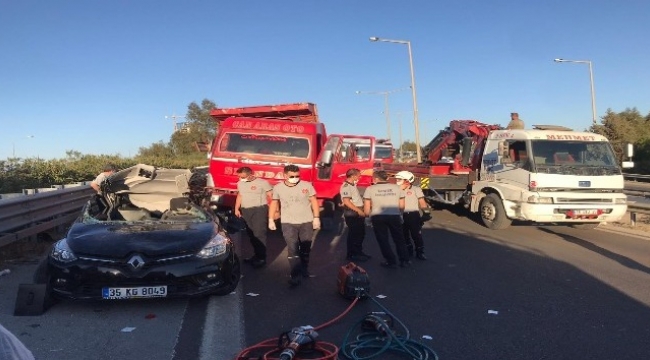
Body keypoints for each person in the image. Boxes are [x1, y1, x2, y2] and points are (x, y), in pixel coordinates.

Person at [268, 165, 321, 287]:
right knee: (292, 249)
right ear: (285, 175)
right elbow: (274, 203)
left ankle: (304, 268)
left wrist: (316, 218)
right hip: (288, 222)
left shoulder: (306, 186)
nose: (295, 178)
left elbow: (313, 201)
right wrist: (271, 219)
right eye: (292, 176)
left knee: (305, 248)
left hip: (306, 221)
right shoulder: (278, 188)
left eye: (297, 176)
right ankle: (295, 275)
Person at [363, 170, 411, 268]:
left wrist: (367, 217)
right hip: (394, 216)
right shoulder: (397, 188)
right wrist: (401, 215)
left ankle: (391, 261)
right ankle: (404, 260)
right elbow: (401, 204)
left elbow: (367, 205)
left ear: (376, 179)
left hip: (378, 217)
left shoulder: (370, 189)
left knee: (383, 240)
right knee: (399, 239)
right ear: (387, 178)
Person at [234, 167, 273, 268]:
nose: (240, 179)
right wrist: (236, 208)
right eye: (239, 177)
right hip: (246, 210)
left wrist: (275, 211)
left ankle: (261, 258)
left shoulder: (262, 183)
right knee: (251, 234)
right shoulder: (240, 183)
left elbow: (272, 197)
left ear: (250, 175)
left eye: (242, 177)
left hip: (259, 210)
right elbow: (240, 195)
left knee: (259, 234)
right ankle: (256, 255)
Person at [395, 170, 429, 260]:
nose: (397, 181)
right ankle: (408, 251)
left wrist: (426, 212)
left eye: (399, 179)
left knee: (416, 235)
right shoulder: (395, 190)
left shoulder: (416, 189)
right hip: (400, 215)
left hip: (413, 216)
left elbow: (422, 201)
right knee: (403, 235)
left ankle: (420, 252)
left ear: (407, 180)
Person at [340, 168, 371, 262]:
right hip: (352, 212)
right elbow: (346, 202)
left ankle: (358, 252)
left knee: (360, 233)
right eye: (358, 175)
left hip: (356, 211)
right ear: (353, 176)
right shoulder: (346, 186)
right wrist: (359, 211)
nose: (359, 177)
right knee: (354, 234)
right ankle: (352, 254)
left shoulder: (352, 184)